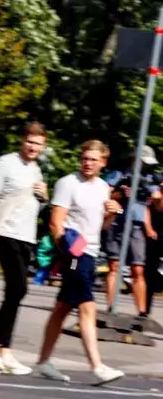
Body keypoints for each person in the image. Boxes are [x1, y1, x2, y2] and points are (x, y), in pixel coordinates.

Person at [33, 140, 124, 384]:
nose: (87, 163)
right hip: (76, 253)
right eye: (85, 158)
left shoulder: (104, 188)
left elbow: (101, 227)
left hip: (91, 254)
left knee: (62, 308)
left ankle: (43, 361)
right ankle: (97, 366)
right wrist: (71, 251)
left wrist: (112, 214)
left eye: (93, 159)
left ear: (103, 162)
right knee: (87, 307)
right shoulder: (68, 183)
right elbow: (56, 223)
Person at [0, 122, 47, 374]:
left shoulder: (37, 170)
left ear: (43, 146)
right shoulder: (4, 163)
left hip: (25, 235)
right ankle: (2, 348)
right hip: (4, 232)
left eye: (38, 143)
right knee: (18, 288)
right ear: (22, 141)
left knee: (16, 291)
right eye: (29, 141)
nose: (33, 147)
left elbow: (32, 206)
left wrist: (43, 198)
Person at [104, 147, 161, 318]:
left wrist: (158, 195)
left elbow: (155, 205)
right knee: (114, 265)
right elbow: (104, 193)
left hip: (136, 225)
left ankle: (142, 311)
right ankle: (111, 306)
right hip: (118, 220)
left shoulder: (150, 179)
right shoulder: (119, 174)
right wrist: (119, 193)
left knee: (138, 268)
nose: (146, 166)